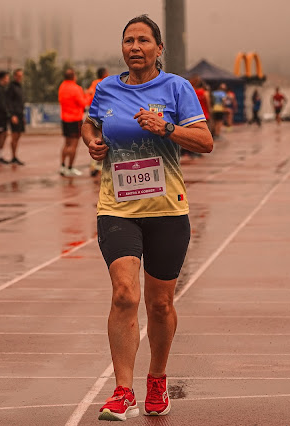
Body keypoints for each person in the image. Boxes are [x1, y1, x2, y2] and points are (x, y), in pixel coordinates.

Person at [81, 14, 213, 421]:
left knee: (159, 304)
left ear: (159, 48)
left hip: (167, 210)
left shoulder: (177, 87)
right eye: (128, 41)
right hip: (116, 207)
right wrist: (92, 141)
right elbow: (89, 123)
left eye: (143, 40)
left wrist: (166, 127)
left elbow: (205, 141)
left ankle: (157, 379)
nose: (135, 47)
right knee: (124, 294)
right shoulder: (106, 88)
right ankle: (123, 391)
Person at [58, 68, 88, 176]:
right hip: (75, 119)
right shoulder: (76, 88)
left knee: (66, 143)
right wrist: (88, 95)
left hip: (64, 119)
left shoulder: (62, 87)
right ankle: (70, 167)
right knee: (74, 145)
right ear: (73, 76)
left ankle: (62, 166)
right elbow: (83, 103)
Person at [87, 67, 109, 176]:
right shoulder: (105, 84)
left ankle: (93, 165)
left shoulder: (93, 84)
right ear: (104, 74)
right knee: (103, 139)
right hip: (104, 114)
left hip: (94, 114)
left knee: (95, 140)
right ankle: (100, 166)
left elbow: (89, 96)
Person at [6, 69, 25, 165]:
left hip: (20, 114)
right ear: (15, 76)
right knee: (14, 136)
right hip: (14, 115)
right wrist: (12, 115)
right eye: (18, 75)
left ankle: (15, 156)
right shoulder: (11, 87)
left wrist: (23, 116)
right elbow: (8, 102)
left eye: (21, 76)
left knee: (18, 135)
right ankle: (13, 157)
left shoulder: (20, 87)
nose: (20, 77)